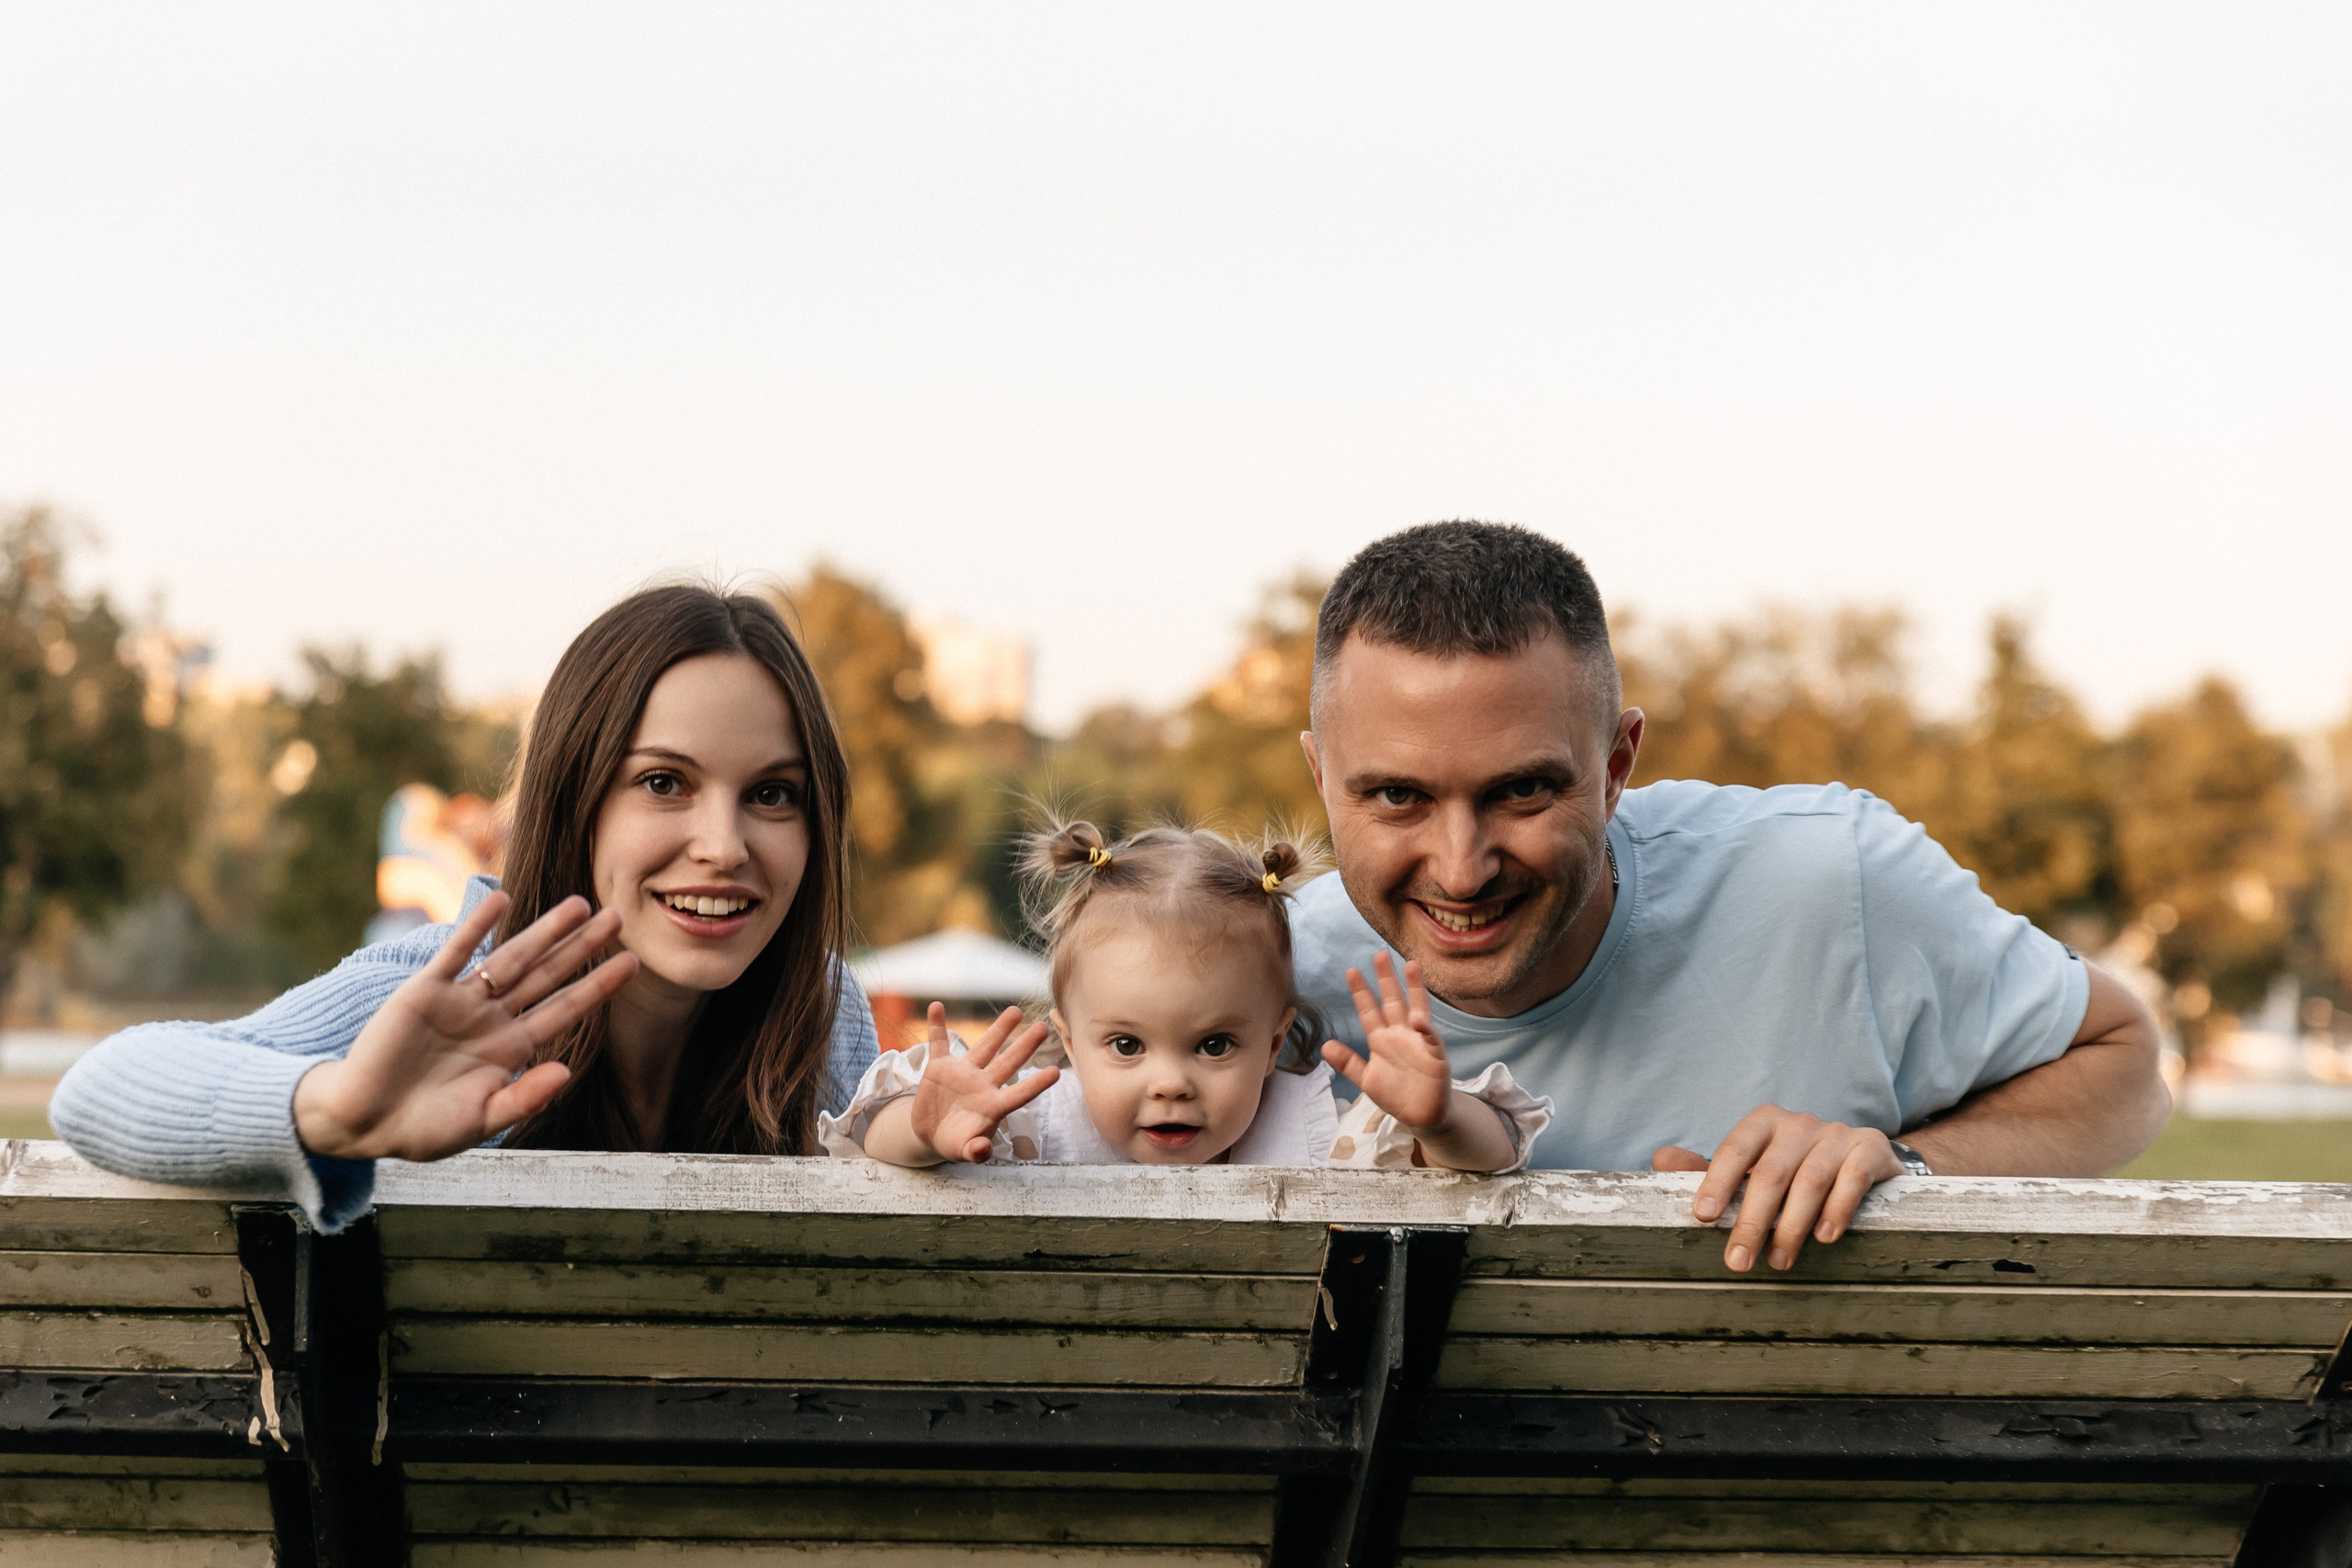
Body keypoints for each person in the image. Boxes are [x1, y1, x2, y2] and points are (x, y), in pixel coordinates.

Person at [1289, 522, 2169, 1273]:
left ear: (1617, 767)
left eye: (1520, 791)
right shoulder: (1264, 975)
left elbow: (2125, 1061)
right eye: (1397, 797)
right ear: (1323, 777)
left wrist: (1899, 1165)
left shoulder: (1832, 879)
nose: (1461, 868)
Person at [51, 584, 878, 1231]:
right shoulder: (449, 995)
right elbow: (100, 1088)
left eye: (774, 794)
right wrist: (334, 1108)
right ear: (574, 800)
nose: (724, 844)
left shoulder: (826, 1010)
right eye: (664, 783)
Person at [820, 820, 1549, 1170]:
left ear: (1272, 1043)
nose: (1170, 1082)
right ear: (1069, 1041)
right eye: (1127, 1045)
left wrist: (1443, 1120)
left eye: (1214, 1044)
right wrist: (918, 1133)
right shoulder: (1031, 1127)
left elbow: (1488, 1155)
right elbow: (866, 1145)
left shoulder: (1310, 1138)